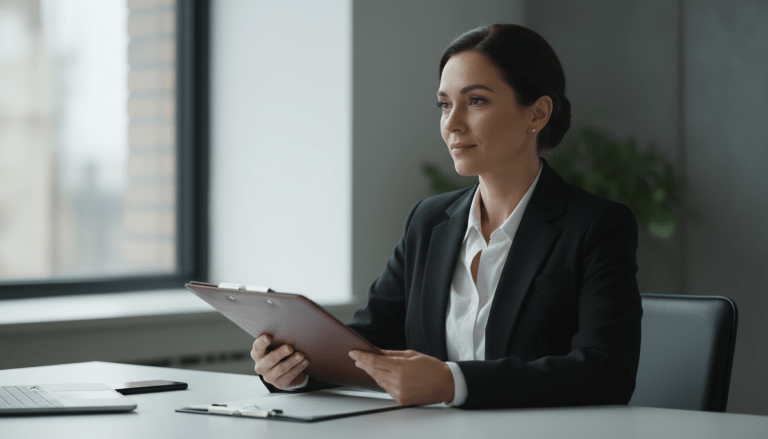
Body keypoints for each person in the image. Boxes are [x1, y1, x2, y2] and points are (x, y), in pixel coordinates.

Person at [251, 24, 642, 409]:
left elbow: (607, 371)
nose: (452, 124)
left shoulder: (596, 226)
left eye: (476, 101)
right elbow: (364, 345)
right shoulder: (428, 221)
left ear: (537, 113)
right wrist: (296, 368)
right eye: (444, 104)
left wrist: (452, 383)